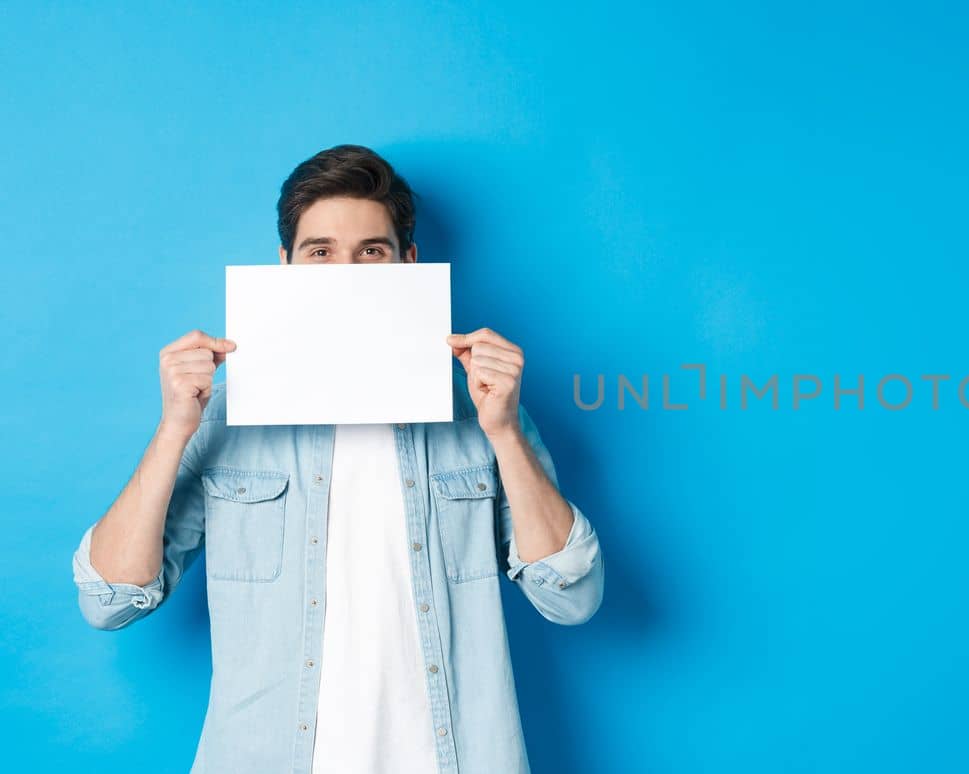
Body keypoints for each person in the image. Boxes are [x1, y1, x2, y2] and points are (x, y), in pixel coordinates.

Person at [70, 144, 604, 774]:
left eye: (371, 252)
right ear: (285, 267)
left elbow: (573, 598)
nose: (346, 273)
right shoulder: (221, 410)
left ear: (409, 262)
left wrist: (506, 433)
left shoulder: (479, 410)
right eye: (320, 252)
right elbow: (108, 602)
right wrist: (173, 429)